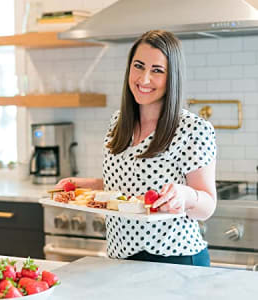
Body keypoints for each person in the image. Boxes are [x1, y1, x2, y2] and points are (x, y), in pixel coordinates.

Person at [56, 30, 217, 267]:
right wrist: (87, 185)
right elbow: (131, 184)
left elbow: (207, 205)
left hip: (176, 260)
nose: (144, 79)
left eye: (157, 71)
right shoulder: (118, 122)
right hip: (120, 257)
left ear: (173, 76)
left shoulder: (193, 129)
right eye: (138, 66)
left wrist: (186, 196)